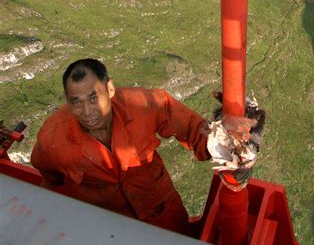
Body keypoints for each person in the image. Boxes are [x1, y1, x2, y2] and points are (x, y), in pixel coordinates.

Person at [31, 58, 255, 234]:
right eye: (76, 102)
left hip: (163, 214)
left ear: (109, 89)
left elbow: (191, 129)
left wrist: (227, 144)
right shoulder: (53, 137)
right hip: (109, 228)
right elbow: (50, 176)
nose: (87, 112)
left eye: (93, 98)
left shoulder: (141, 105)